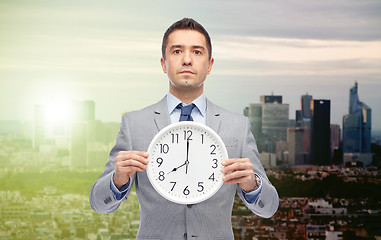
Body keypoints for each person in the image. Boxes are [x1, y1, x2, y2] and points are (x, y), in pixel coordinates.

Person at [90, 18, 279, 240]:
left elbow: (269, 207)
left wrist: (252, 184)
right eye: (177, 51)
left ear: (209, 65)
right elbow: (99, 204)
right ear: (163, 63)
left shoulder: (236, 125)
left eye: (197, 52)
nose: (187, 60)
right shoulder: (134, 124)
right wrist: (117, 179)